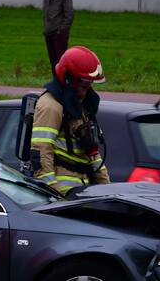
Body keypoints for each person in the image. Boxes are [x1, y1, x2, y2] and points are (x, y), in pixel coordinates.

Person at [30, 45, 109, 194]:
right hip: (62, 193)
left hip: (82, 190)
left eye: (90, 84)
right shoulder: (51, 106)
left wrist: (107, 188)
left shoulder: (80, 105)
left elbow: (93, 153)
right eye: (84, 84)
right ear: (69, 80)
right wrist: (53, 192)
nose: (88, 90)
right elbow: (41, 151)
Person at [42, 0, 74, 76]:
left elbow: (69, 16)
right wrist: (45, 29)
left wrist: (61, 31)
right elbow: (46, 16)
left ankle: (64, 81)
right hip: (49, 33)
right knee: (53, 61)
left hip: (59, 34)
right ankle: (55, 81)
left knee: (61, 61)